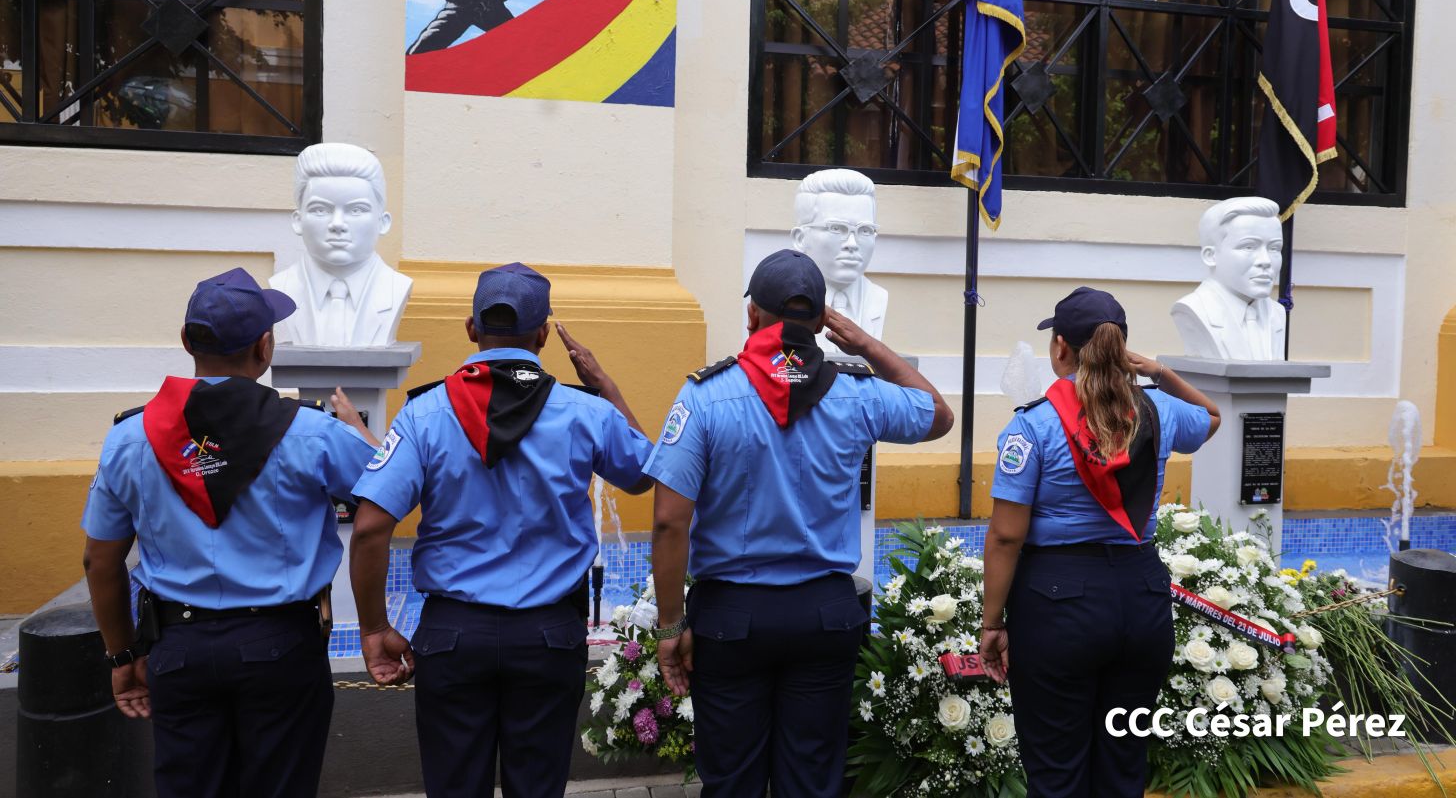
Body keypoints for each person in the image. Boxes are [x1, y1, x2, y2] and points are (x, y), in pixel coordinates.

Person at [647, 248, 954, 798]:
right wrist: (862, 343)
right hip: (823, 617)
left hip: (732, 618)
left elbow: (670, 522)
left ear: (751, 316)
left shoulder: (705, 396)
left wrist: (672, 627)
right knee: (812, 782)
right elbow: (937, 413)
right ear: (821, 322)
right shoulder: (856, 393)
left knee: (732, 781)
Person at [348, 262, 654, 798]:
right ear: (542, 335)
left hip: (453, 636)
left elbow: (372, 528)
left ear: (471, 329)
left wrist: (373, 630)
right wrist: (606, 386)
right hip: (547, 637)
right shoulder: (586, 412)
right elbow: (644, 477)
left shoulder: (424, 412)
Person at [81, 267, 381, 798]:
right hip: (281, 647)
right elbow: (382, 502)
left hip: (180, 647)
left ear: (186, 342)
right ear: (264, 348)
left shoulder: (130, 438)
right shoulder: (313, 432)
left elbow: (100, 562)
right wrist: (364, 440)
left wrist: (122, 656)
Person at [978, 286, 1222, 798]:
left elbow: (1005, 536)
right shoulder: (1160, 412)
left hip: (1058, 605)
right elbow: (1213, 417)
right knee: (1123, 766)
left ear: (1060, 348)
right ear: (1122, 349)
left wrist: (992, 622)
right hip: (1142, 601)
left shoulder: (1034, 426)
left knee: (1057, 770)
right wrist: (1156, 371)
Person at [270, 142, 414, 347]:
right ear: (298, 220)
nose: (337, 224)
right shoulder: (283, 287)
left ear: (383, 222)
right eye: (320, 210)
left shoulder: (395, 288)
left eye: (356, 210)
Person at [1170, 196, 1286, 361]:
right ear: (1211, 256)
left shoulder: (1277, 314)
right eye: (1249, 246)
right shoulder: (1194, 309)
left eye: (1274, 248)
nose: (1265, 261)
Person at [789, 168, 888, 348]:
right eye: (836, 228)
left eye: (864, 230)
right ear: (800, 238)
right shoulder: (784, 303)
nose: (852, 243)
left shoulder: (878, 299)